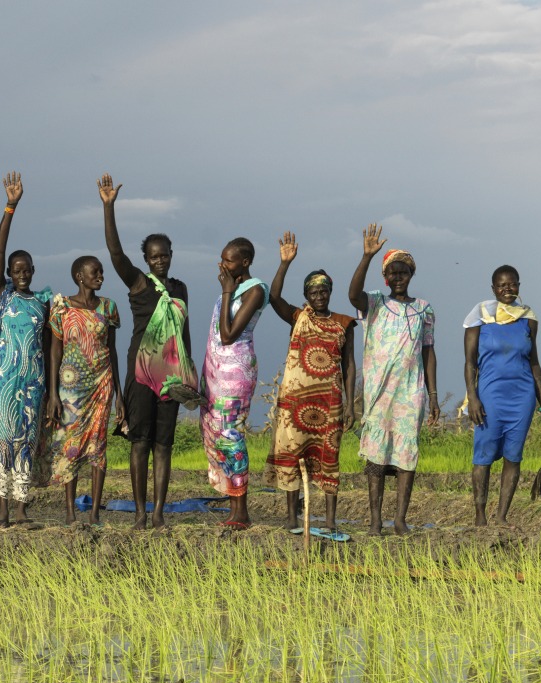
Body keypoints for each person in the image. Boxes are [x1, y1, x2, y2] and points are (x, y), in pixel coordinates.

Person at [99, 174, 202, 530]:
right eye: (154, 256)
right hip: (142, 372)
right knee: (140, 441)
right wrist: (108, 207)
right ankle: (140, 513)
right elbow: (115, 253)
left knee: (164, 444)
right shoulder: (139, 283)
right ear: (146, 259)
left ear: (171, 256)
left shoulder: (180, 289)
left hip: (172, 376)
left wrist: (190, 373)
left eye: (165, 256)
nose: (160, 261)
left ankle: (158, 513)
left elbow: (184, 333)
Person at [347, 225, 440, 537]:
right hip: (379, 392)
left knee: (406, 454)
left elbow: (428, 351)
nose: (398, 277)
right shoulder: (374, 303)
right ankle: (375, 520)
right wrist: (366, 256)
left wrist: (434, 395)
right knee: (376, 455)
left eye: (403, 272)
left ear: (410, 275)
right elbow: (352, 295)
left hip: (410, 393)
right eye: (392, 273)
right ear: (385, 277)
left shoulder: (423, 309)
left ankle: (399, 520)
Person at [264, 233, 356, 537]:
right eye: (314, 291)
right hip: (295, 402)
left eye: (324, 290)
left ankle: (330, 521)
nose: (319, 295)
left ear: (330, 292)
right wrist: (284, 263)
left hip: (329, 402)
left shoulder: (344, 323)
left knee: (329, 458)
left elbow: (349, 365)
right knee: (293, 454)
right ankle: (291, 518)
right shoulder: (298, 317)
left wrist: (351, 403)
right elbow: (274, 297)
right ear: (307, 294)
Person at [0, 172, 55, 526]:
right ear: (9, 272)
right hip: (1, 384)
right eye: (16, 269)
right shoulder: (2, 294)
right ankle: (2, 511)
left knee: (25, 440)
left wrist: (52, 390)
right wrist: (11, 206)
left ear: (33, 271)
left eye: (27, 270)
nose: (22, 274)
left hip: (32, 386)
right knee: (1, 439)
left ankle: (22, 510)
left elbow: (49, 347)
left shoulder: (43, 302)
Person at [464, 265, 541, 526]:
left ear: (519, 286)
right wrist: (472, 397)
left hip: (523, 397)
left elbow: (534, 362)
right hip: (490, 396)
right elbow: (470, 363)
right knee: (483, 455)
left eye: (512, 284)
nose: (507, 289)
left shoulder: (529, 318)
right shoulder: (479, 317)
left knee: (513, 457)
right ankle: (480, 516)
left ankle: (502, 516)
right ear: (493, 288)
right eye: (501, 285)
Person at [47, 256, 122, 525]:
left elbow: (112, 350)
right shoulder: (62, 308)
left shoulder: (109, 307)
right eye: (95, 271)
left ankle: (94, 514)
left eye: (101, 271)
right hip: (70, 388)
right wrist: (53, 393)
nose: (100, 275)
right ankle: (69, 512)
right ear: (80, 276)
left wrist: (120, 396)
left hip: (102, 384)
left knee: (98, 446)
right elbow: (55, 351)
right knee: (71, 446)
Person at [202, 237, 268, 529]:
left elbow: (228, 334)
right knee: (220, 437)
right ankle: (234, 508)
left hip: (235, 374)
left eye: (228, 260)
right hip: (217, 375)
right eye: (221, 258)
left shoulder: (255, 289)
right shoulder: (234, 289)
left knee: (231, 437)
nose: (222, 265)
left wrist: (227, 291)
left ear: (245, 262)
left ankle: (241, 510)